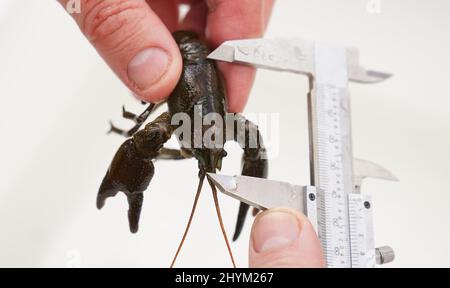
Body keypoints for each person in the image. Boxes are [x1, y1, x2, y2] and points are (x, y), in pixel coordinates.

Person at [59, 0, 325, 268]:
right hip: (184, 48)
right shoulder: (180, 120)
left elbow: (251, 139)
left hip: (197, 53)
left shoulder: (214, 123)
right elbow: (139, 145)